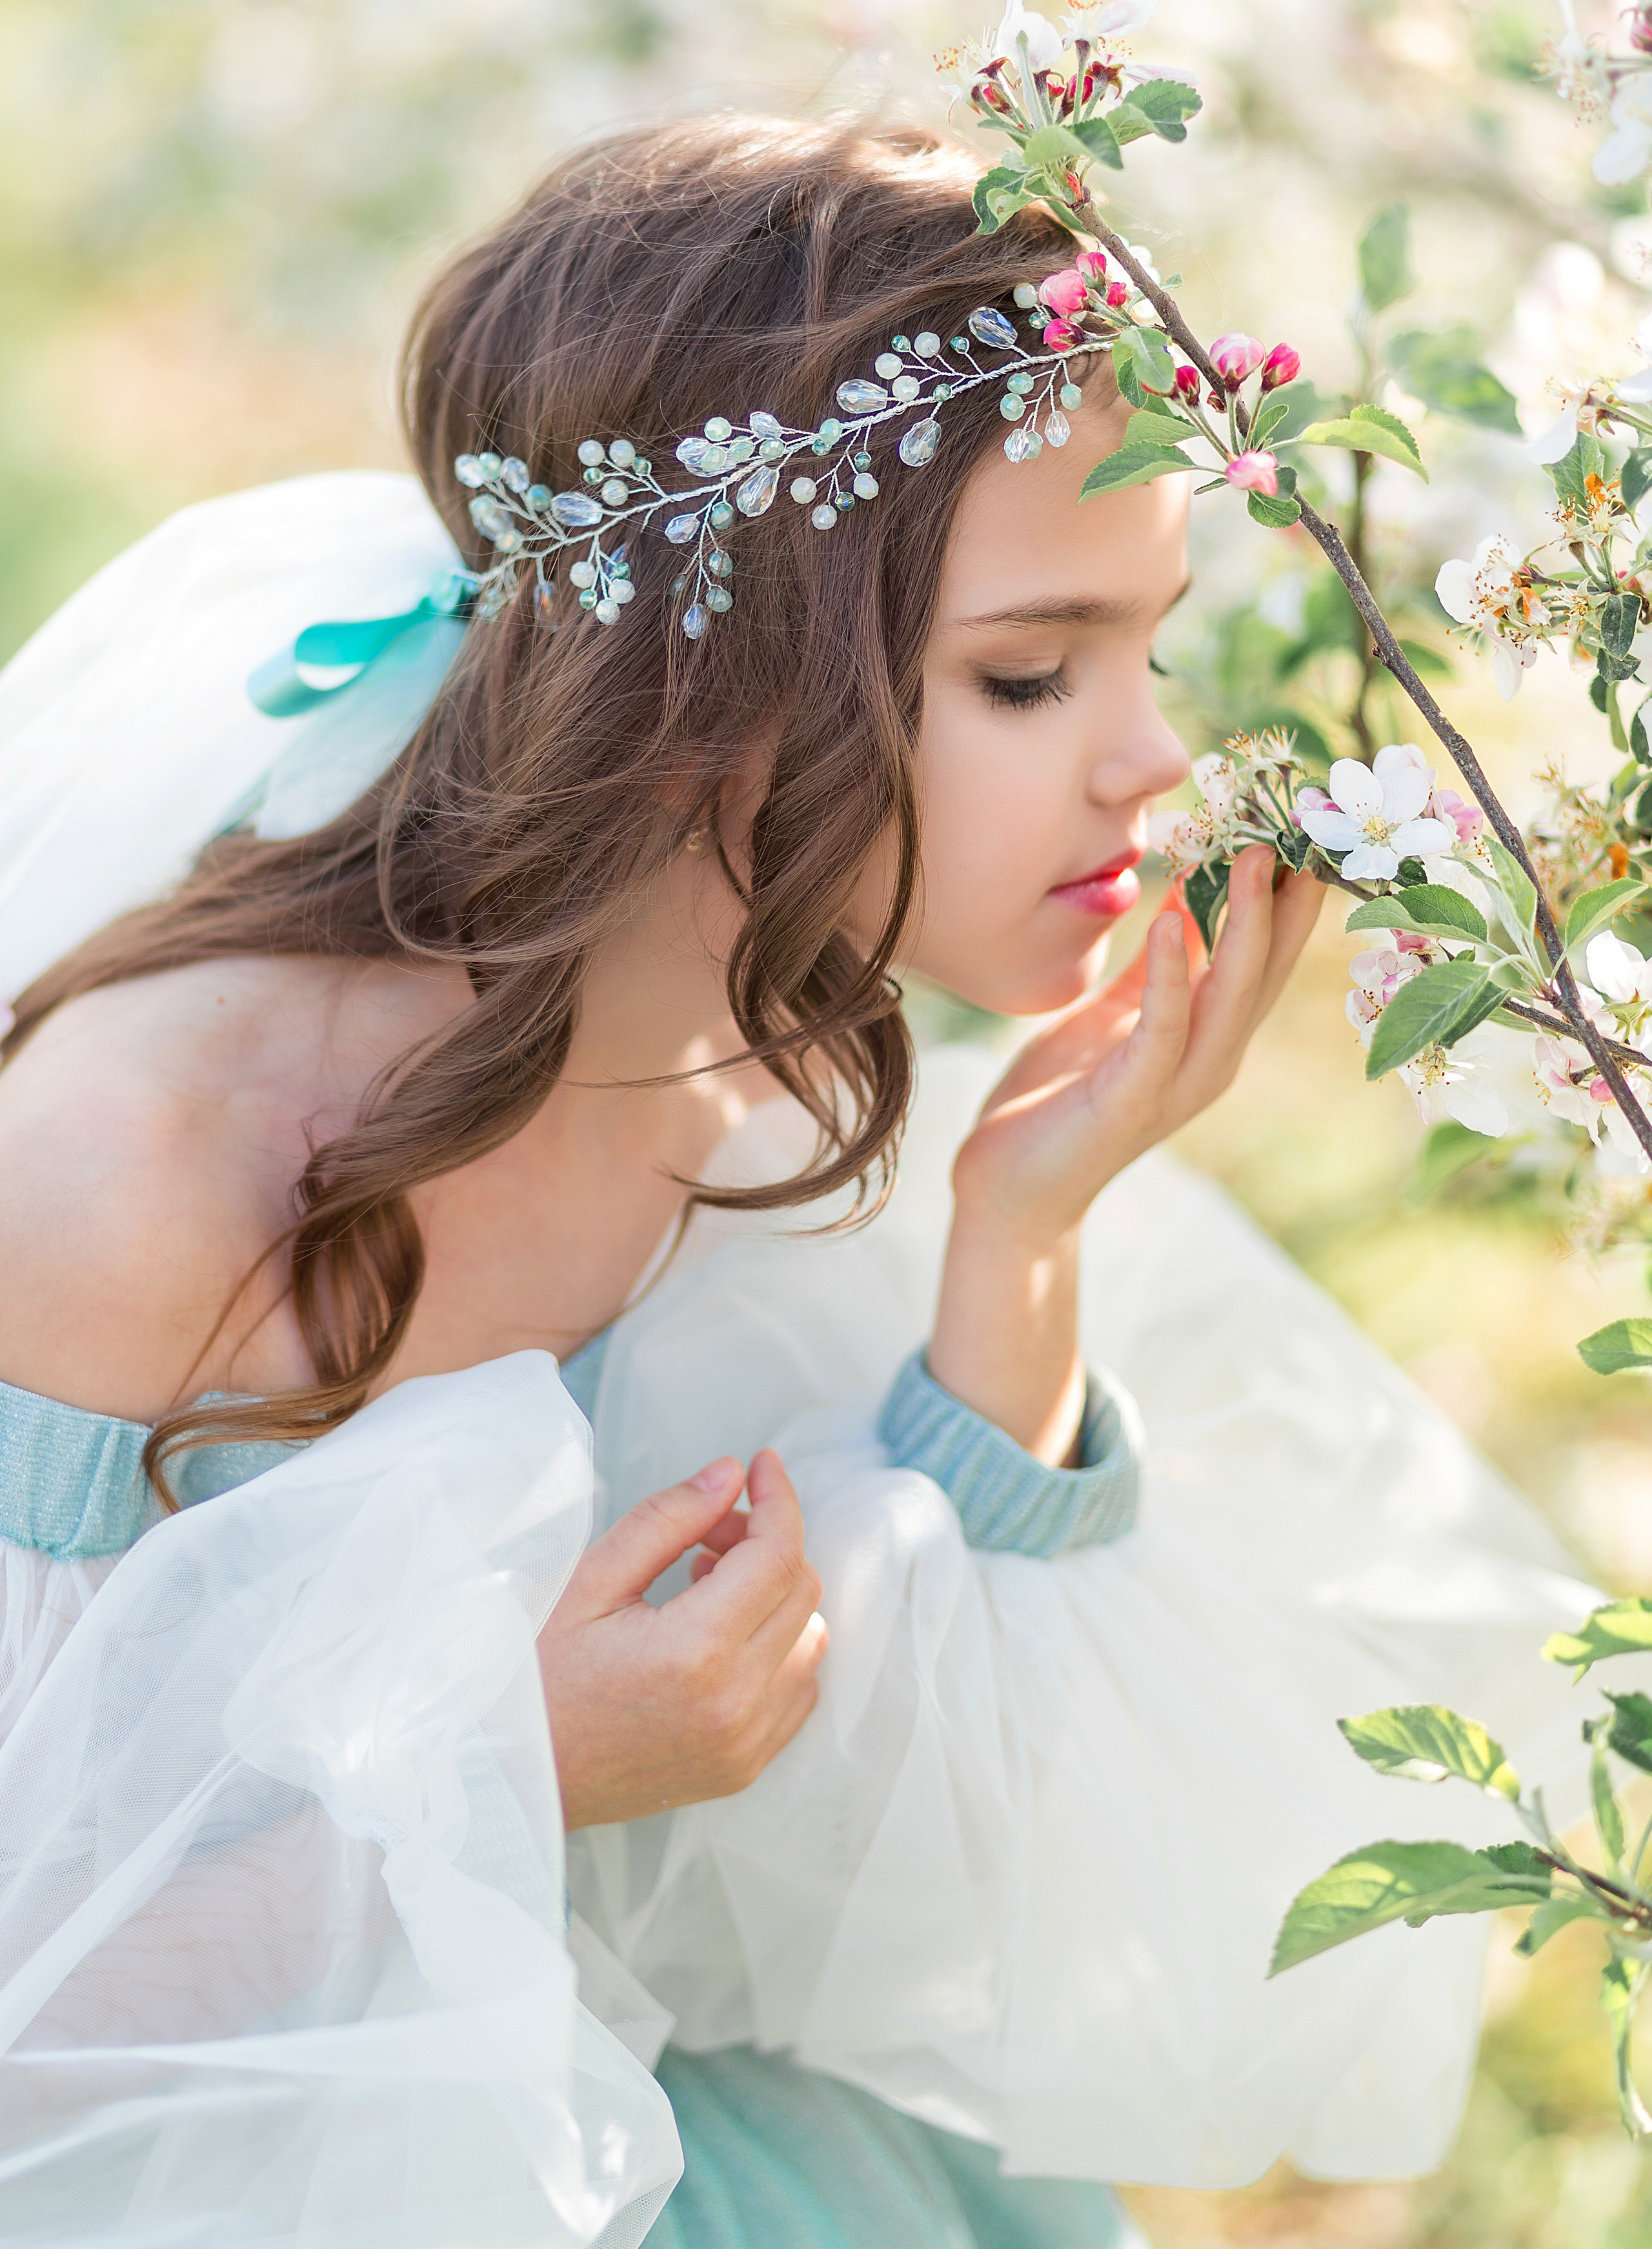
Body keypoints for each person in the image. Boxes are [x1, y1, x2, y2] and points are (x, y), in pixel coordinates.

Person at [0, 116, 1603, 2248]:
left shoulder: (752, 1032)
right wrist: (495, 1768)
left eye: (1149, 647)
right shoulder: (141, 1173)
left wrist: (1024, 1231)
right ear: (709, 683)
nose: (1150, 760)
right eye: (1028, 675)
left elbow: (884, 1825)